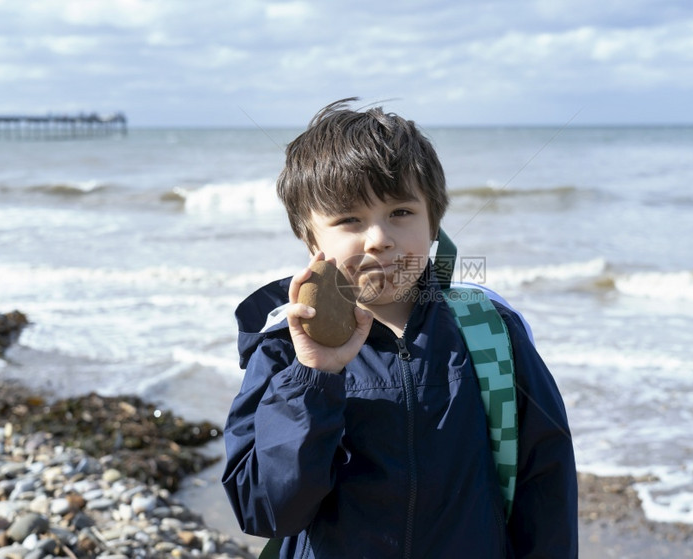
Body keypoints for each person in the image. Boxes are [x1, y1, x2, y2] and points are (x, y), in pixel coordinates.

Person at [222, 98, 578, 558]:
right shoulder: (285, 349)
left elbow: (545, 482)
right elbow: (267, 512)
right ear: (310, 237)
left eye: (401, 212)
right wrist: (314, 380)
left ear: (434, 223)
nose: (379, 237)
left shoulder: (488, 330)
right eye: (349, 219)